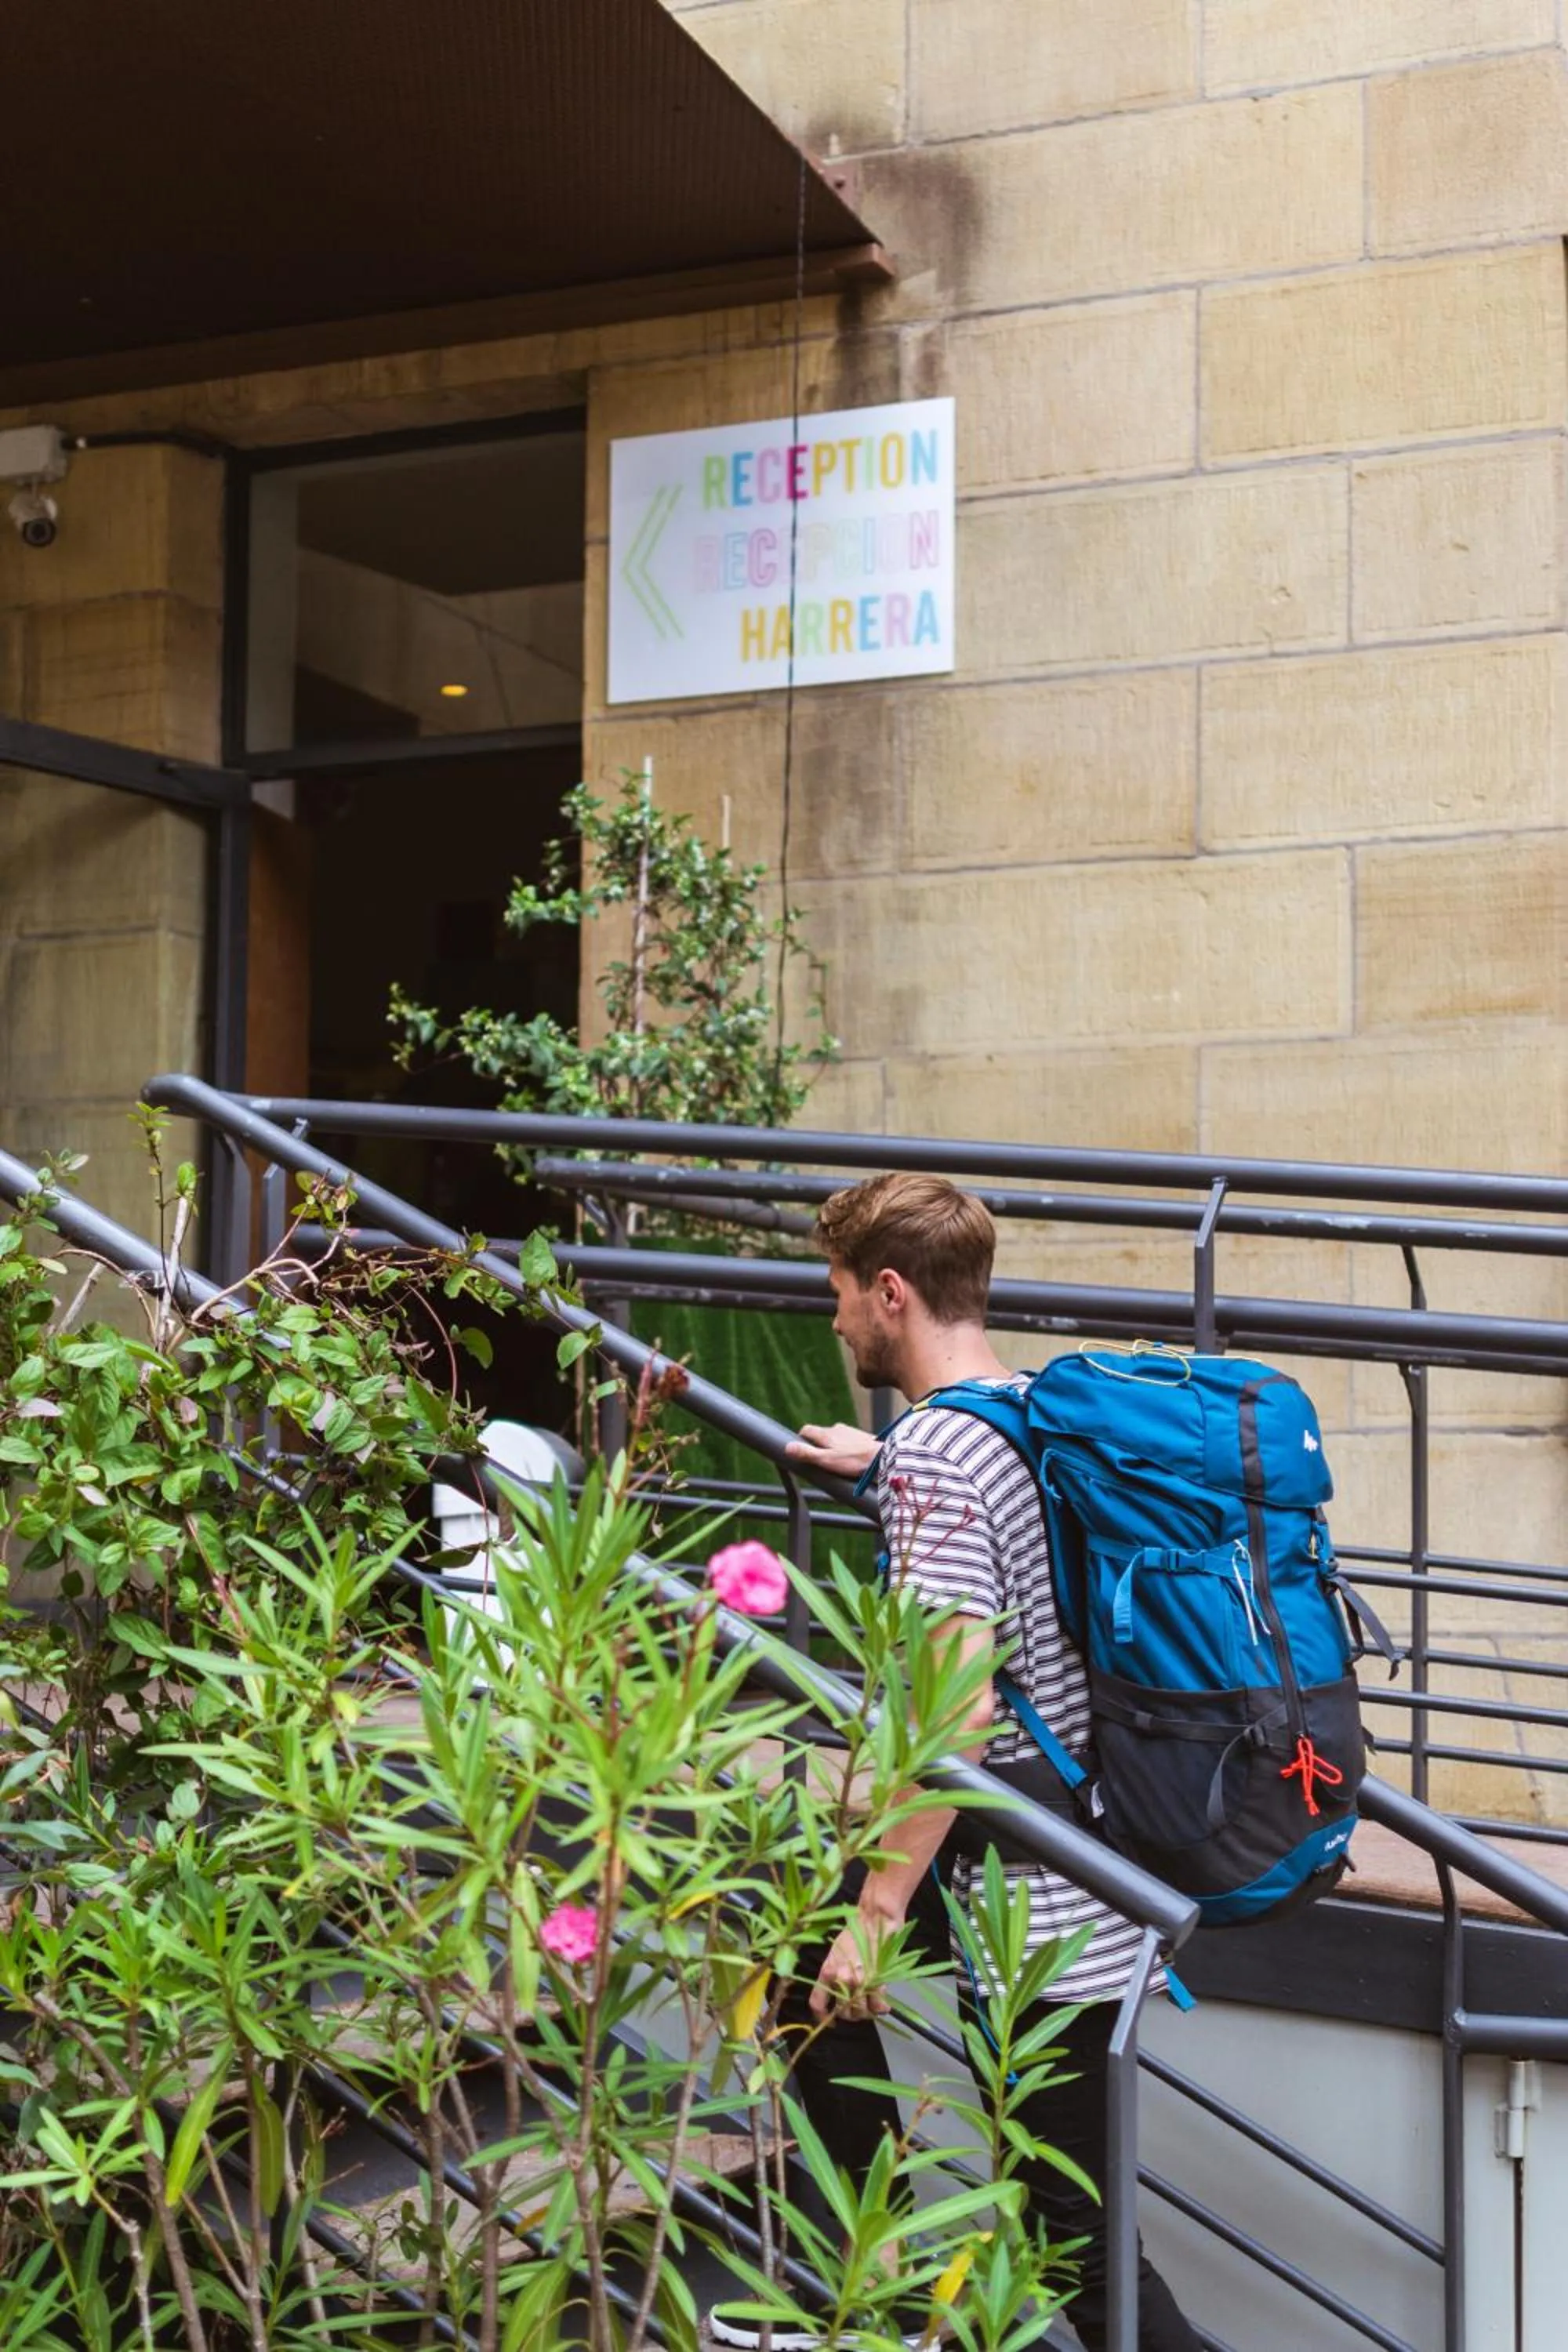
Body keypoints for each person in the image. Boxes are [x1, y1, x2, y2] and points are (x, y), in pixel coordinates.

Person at [710, 1173, 1200, 2352]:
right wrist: (877, 1473)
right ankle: (862, 2281)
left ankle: (864, 2283)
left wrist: (880, 1909)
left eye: (837, 1294)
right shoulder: (1024, 1412)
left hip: (1047, 1913)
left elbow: (956, 1708)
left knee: (1088, 2270)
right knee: (787, 1943)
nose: (832, 1322)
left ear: (890, 1291)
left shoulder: (938, 1457)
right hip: (1073, 1852)